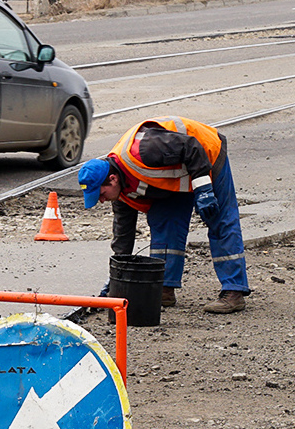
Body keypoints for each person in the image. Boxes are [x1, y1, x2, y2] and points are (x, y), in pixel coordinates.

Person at [78, 115, 250, 314]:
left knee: (220, 219)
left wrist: (204, 191)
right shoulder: (121, 193)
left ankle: (234, 292)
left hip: (206, 155)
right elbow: (123, 237)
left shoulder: (145, 150)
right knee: (165, 224)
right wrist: (115, 281)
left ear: (113, 179)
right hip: (174, 177)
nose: (101, 200)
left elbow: (192, 147)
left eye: (100, 194)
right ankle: (164, 290)